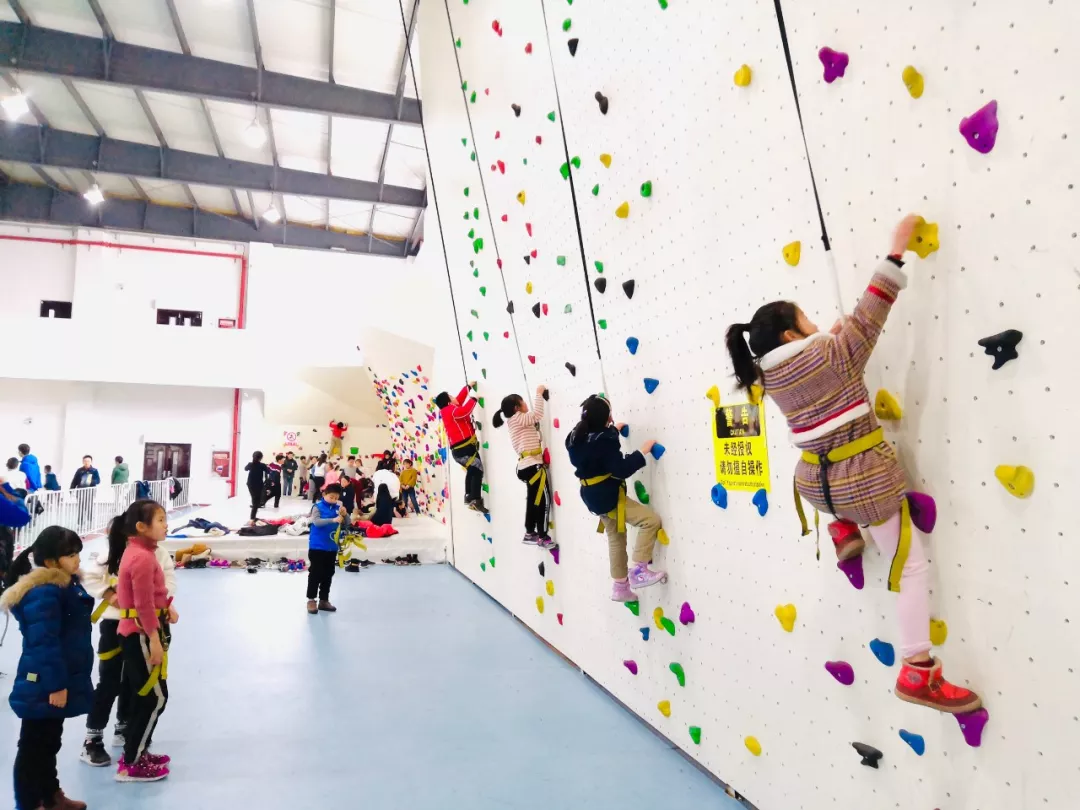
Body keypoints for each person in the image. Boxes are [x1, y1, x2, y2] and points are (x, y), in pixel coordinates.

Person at [723, 215, 982, 714]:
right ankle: (916, 669)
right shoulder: (835, 355)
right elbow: (872, 310)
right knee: (911, 566)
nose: (819, 325)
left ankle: (844, 533)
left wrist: (831, 339)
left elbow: (828, 354)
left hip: (818, 487)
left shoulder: (768, 378)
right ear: (787, 334)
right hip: (861, 484)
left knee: (844, 495)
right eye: (808, 321)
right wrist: (897, 248)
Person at [2, 526, 92, 810]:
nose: (77, 559)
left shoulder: (63, 584)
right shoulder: (45, 592)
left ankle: (51, 796)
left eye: (78, 552)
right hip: (44, 680)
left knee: (49, 741)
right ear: (52, 561)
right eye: (70, 554)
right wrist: (56, 685)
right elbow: (44, 643)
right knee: (34, 745)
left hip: (56, 675)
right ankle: (29, 803)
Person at [81, 512, 176, 767]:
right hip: (116, 624)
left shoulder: (156, 553)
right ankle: (93, 738)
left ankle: (126, 729)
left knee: (138, 682)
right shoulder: (112, 553)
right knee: (110, 681)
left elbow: (168, 581)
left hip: (148, 626)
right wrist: (110, 595)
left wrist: (165, 605)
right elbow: (89, 577)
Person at [566, 395, 667, 602]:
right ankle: (639, 569)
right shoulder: (605, 441)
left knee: (616, 538)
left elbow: (596, 451)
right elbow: (620, 469)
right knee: (651, 521)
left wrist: (613, 431)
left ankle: (620, 587)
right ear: (605, 418)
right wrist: (642, 451)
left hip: (591, 497)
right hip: (607, 496)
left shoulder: (576, 437)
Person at [114, 499, 175, 782]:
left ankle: (138, 749)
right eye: (160, 520)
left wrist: (168, 607)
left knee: (152, 695)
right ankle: (131, 762)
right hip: (140, 634)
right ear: (141, 526)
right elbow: (142, 604)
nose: (165, 525)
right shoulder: (141, 557)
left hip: (144, 630)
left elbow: (153, 593)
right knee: (154, 697)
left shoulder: (142, 552)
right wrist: (153, 637)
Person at [493, 386, 555, 548]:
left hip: (527, 465)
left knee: (534, 500)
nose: (526, 404)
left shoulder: (515, 420)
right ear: (517, 408)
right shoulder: (519, 418)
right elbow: (538, 415)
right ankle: (542, 535)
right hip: (532, 465)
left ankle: (530, 532)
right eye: (523, 402)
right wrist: (539, 393)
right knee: (543, 501)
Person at [435, 386, 489, 514]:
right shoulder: (450, 410)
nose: (455, 398)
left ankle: (469, 496)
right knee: (477, 469)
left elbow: (459, 401)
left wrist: (468, 387)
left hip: (460, 450)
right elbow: (465, 411)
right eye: (451, 397)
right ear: (448, 402)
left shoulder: (447, 410)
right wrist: (474, 399)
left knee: (472, 470)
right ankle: (474, 499)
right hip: (464, 448)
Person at [306, 483, 346, 615]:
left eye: (336, 498)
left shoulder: (338, 508)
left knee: (328, 573)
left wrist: (345, 516)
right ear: (324, 494)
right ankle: (311, 600)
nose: (334, 500)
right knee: (316, 573)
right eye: (331, 497)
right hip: (317, 546)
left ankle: (324, 600)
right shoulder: (317, 507)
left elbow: (347, 523)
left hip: (331, 547)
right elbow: (317, 522)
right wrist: (333, 520)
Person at [245, 451, 268, 521]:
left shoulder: (250, 464)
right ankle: (252, 518)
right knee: (256, 501)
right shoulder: (262, 465)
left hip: (250, 484)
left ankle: (253, 517)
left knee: (255, 499)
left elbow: (245, 469)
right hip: (258, 485)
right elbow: (268, 471)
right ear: (261, 458)